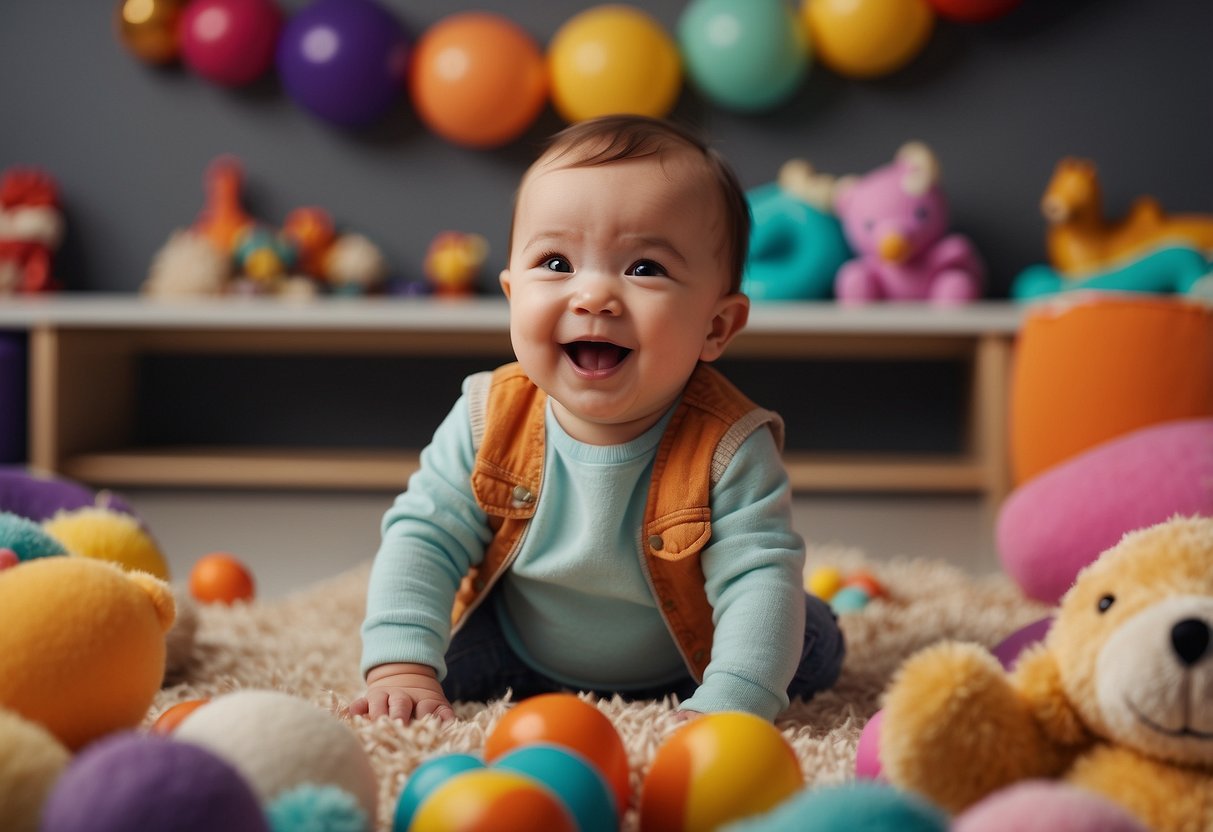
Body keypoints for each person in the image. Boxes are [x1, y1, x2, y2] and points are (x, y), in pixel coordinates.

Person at [350, 115, 844, 725]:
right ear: (511, 296)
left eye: (644, 269)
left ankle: (791, 640)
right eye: (557, 263)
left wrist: (732, 703)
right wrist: (401, 666)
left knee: (807, 642)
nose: (593, 297)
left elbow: (756, 579)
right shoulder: (487, 415)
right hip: (516, 646)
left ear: (716, 326)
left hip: (693, 657)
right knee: (429, 661)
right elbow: (424, 537)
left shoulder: (729, 445)